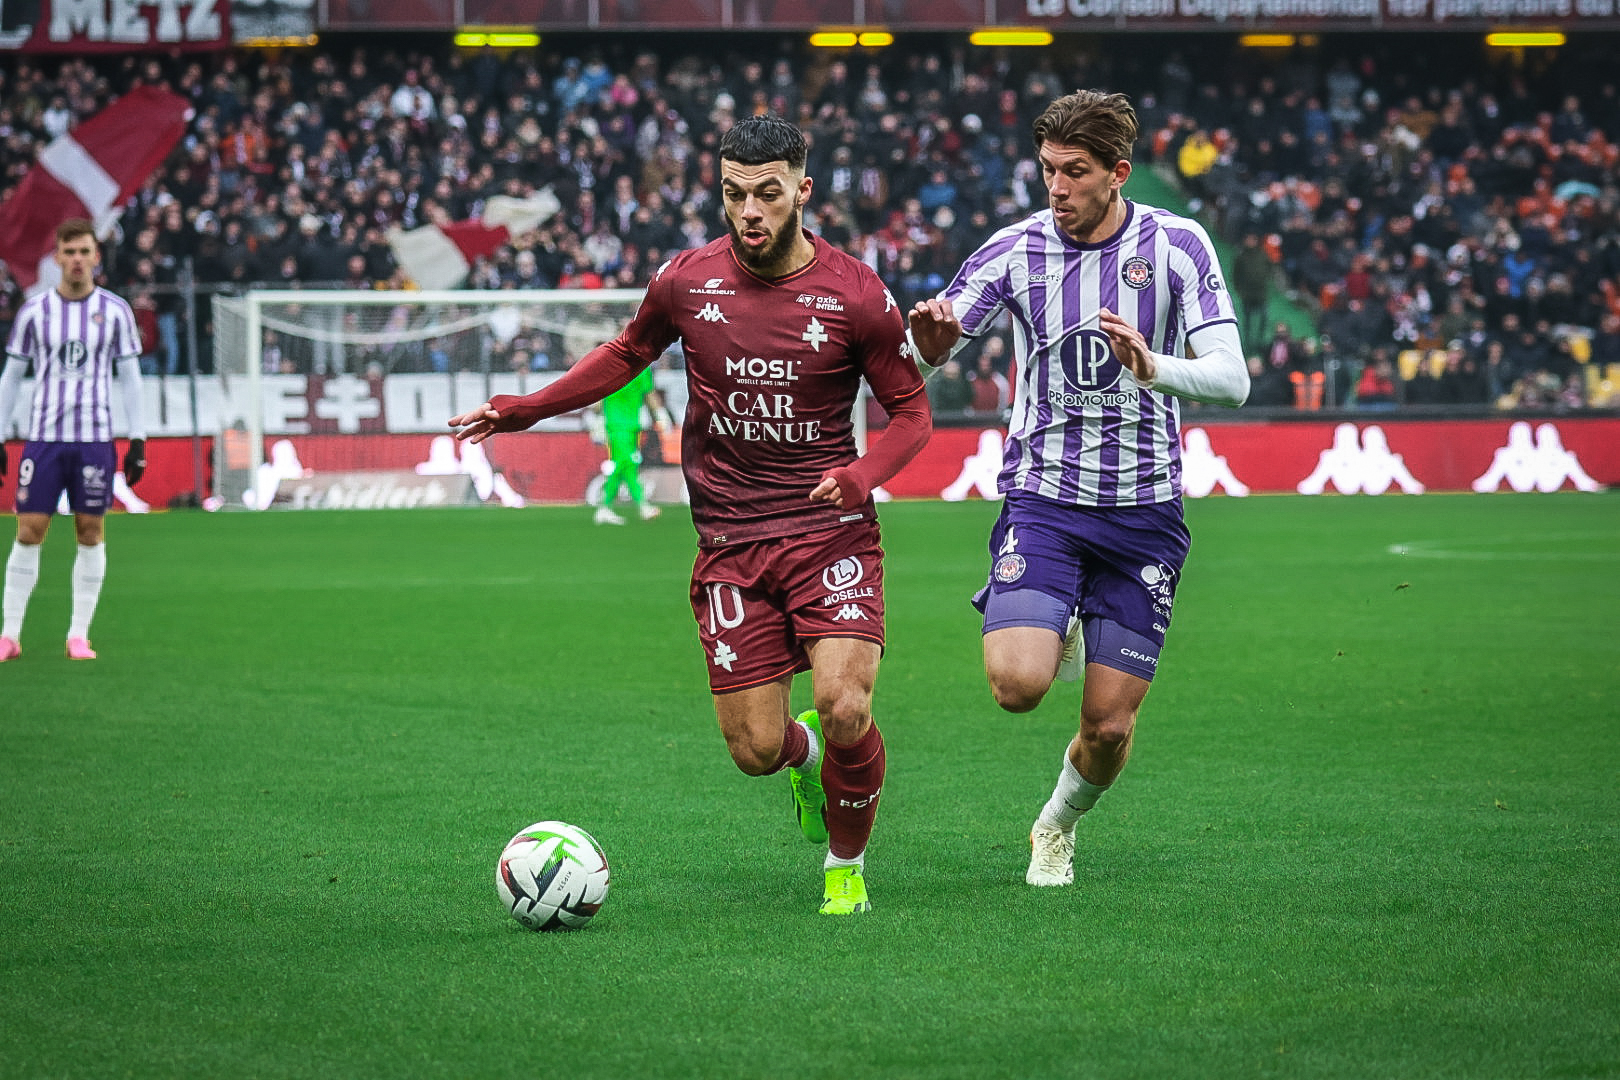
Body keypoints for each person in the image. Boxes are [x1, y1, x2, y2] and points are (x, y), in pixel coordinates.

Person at [448, 116, 931, 915]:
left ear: (802, 193)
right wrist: (528, 408)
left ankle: (845, 870)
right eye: (734, 193)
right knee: (757, 750)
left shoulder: (856, 292)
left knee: (847, 703)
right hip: (731, 541)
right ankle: (805, 761)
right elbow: (627, 352)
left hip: (826, 532)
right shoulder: (686, 281)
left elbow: (911, 413)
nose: (749, 210)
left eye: (768, 193)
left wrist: (860, 475)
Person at [907, 90, 1248, 888]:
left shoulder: (1177, 246)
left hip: (1144, 517)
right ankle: (1049, 616)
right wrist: (925, 353)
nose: (1056, 188)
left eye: (1075, 172)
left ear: (1118, 173)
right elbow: (924, 354)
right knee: (1018, 685)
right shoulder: (1014, 252)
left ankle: (1055, 826)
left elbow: (1231, 380)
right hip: (1047, 500)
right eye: (1048, 170)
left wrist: (1154, 366)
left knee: (1108, 727)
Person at [0, 219, 147, 662]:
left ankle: (78, 635)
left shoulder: (117, 311)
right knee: (30, 529)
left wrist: (138, 440)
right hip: (44, 438)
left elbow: (131, 379)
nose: (78, 259)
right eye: (70, 252)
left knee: (90, 530)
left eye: (85, 251)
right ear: (58, 257)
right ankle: (9, 634)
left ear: (96, 256)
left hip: (94, 440)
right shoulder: (35, 312)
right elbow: (11, 377)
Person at [592, 365, 670, 525]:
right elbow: (650, 395)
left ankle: (605, 508)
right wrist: (660, 414)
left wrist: (598, 417)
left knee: (625, 465)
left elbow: (596, 404)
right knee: (625, 463)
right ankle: (642, 505)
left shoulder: (614, 367)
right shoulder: (639, 368)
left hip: (628, 426)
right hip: (618, 427)